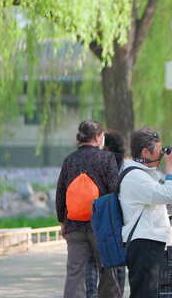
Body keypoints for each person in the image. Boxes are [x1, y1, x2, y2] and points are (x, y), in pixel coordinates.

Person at [119, 127, 172, 298]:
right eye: (159, 151)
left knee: (149, 292)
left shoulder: (145, 174)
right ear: (145, 152)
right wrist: (171, 165)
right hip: (144, 243)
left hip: (149, 242)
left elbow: (169, 195)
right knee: (145, 293)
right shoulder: (135, 176)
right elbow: (167, 195)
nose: (162, 155)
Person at [55, 120, 121, 298]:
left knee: (75, 273)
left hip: (74, 226)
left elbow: (60, 192)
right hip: (100, 227)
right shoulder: (106, 158)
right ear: (98, 137)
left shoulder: (69, 160)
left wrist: (62, 221)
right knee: (108, 268)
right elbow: (115, 191)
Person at [85, 129, 126, 298]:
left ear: (106, 146)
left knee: (93, 260)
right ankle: (118, 293)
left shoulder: (99, 161)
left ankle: (93, 294)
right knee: (119, 260)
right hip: (119, 218)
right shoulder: (125, 164)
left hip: (99, 215)